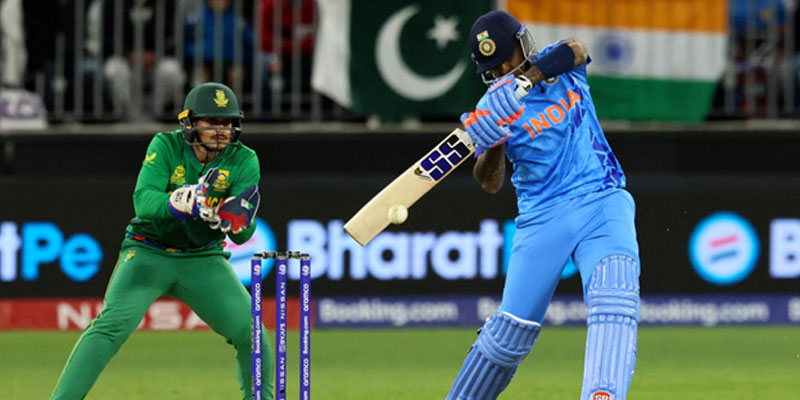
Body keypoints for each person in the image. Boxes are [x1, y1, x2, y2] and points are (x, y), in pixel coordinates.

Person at [446, 10, 640, 400]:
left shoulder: (558, 65)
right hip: (541, 217)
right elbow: (489, 182)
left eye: (506, 56)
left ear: (523, 44)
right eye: (494, 65)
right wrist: (495, 140)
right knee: (509, 335)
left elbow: (577, 50)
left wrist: (524, 79)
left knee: (614, 298)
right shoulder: (490, 107)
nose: (502, 67)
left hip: (602, 198)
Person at [50, 82, 270, 400]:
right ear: (190, 123)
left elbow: (244, 230)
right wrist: (177, 202)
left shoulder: (244, 159)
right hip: (147, 253)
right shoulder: (165, 145)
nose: (221, 131)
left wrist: (232, 221)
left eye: (226, 123)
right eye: (211, 122)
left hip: (202, 259)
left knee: (252, 332)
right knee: (110, 326)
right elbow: (143, 201)